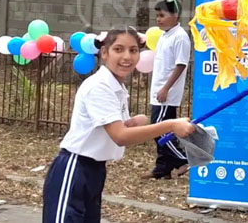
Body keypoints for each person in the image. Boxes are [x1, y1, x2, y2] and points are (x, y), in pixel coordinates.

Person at [42, 28, 195, 222]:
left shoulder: (117, 87)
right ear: (104, 53)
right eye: (118, 49)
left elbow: (117, 129)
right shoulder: (100, 86)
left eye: (133, 50)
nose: (126, 57)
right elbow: (120, 136)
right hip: (74, 168)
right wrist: (170, 125)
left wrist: (133, 123)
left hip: (94, 170)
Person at [145, 0, 192, 179]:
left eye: (162, 15)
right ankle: (162, 168)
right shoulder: (166, 35)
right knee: (163, 129)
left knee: (159, 130)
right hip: (158, 91)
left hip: (166, 93)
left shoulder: (180, 36)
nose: (158, 19)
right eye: (157, 15)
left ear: (174, 15)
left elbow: (180, 65)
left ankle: (183, 159)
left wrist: (166, 88)